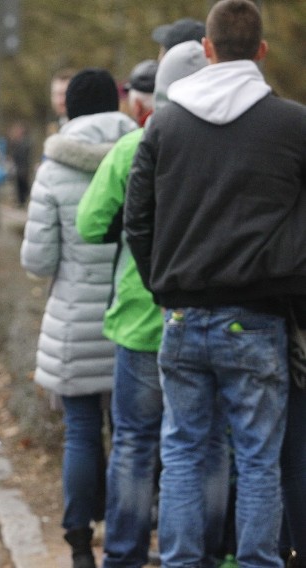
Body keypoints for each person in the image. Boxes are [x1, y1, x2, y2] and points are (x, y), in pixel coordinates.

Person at [124, 1, 306, 565]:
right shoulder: (294, 125)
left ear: (206, 49)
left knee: (181, 452)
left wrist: (164, 286)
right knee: (257, 456)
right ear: (261, 51)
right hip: (259, 315)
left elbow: (137, 219)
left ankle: (180, 561)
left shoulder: (165, 126)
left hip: (181, 314)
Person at [77, 43, 231, 568]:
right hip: (207, 315)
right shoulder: (227, 147)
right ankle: (203, 552)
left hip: (140, 320)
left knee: (135, 445)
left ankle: (123, 555)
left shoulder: (133, 147)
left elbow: (89, 224)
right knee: (207, 444)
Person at [21, 68, 137, 568]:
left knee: (82, 432)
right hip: (135, 318)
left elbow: (38, 261)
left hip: (74, 321)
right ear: (121, 103)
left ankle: (77, 541)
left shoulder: (54, 169)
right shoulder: (145, 154)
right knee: (132, 433)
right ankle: (127, 537)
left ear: (68, 109)